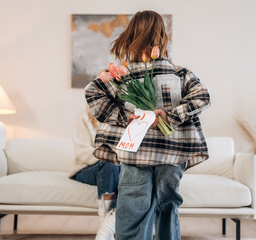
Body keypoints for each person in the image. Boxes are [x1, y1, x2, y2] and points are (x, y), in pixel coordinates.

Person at [85, 10, 211, 240]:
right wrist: (170, 117)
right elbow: (202, 97)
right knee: (168, 205)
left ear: (132, 35)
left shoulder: (123, 77)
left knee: (134, 209)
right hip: (173, 153)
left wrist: (124, 117)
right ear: (162, 37)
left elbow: (92, 92)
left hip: (135, 154)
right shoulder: (180, 74)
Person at [69, 106, 120, 240]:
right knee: (110, 163)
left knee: (130, 174)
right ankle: (105, 223)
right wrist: (109, 155)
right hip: (87, 167)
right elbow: (82, 150)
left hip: (117, 169)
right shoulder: (85, 116)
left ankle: (105, 230)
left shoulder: (125, 114)